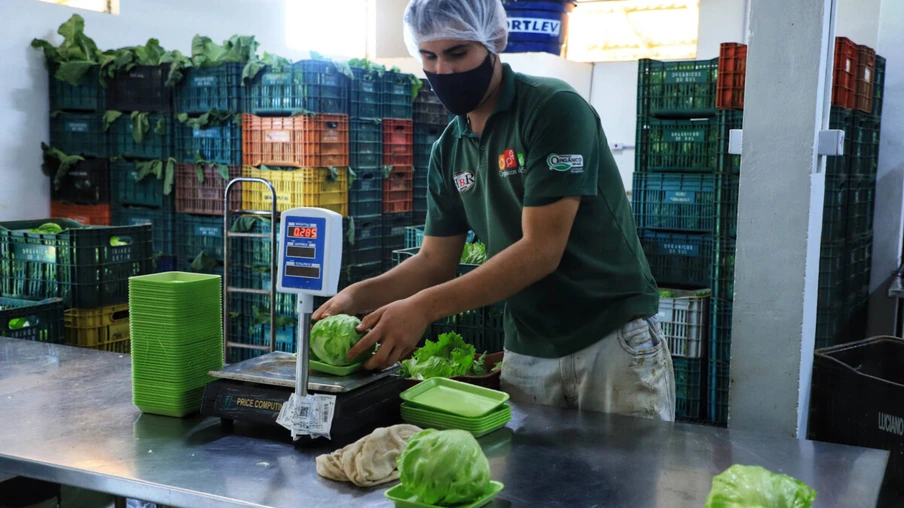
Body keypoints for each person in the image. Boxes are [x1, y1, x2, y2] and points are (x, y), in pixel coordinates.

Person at [314, 0, 675, 421]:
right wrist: (357, 294)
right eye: (429, 56)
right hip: (528, 343)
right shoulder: (449, 148)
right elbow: (433, 261)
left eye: (457, 53)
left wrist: (424, 308)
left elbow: (541, 249)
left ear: (493, 44)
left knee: (624, 480)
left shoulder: (552, 108)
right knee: (526, 484)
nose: (443, 71)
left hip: (609, 337)